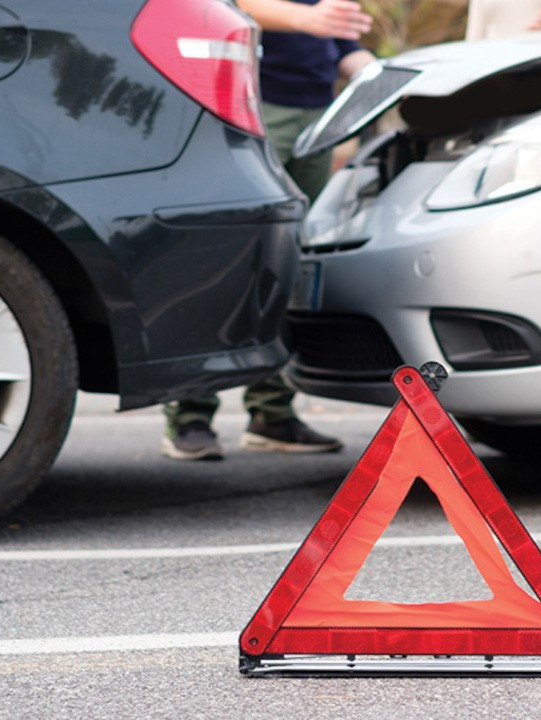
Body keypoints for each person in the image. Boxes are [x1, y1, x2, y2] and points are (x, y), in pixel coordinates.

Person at [162, 0, 376, 461]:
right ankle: (190, 413)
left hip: (318, 115)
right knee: (227, 257)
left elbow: (340, 46)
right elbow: (225, 6)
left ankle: (272, 413)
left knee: (291, 264)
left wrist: (389, 76)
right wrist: (306, 19)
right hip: (250, 105)